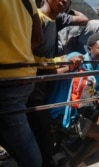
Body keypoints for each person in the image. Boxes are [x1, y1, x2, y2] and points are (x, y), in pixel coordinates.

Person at [27, 0, 84, 166]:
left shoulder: (53, 21)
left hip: (45, 90)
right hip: (32, 91)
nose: (64, 1)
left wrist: (66, 65)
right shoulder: (37, 18)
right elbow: (27, 58)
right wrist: (62, 60)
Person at [48, 33, 99, 167]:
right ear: (89, 49)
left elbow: (98, 94)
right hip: (60, 111)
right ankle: (71, 159)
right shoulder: (76, 57)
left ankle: (73, 158)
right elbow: (50, 72)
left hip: (78, 111)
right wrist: (69, 66)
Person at [0, 1, 43, 166]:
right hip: (24, 77)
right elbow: (39, 37)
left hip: (6, 80)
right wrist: (18, 52)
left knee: (23, 146)